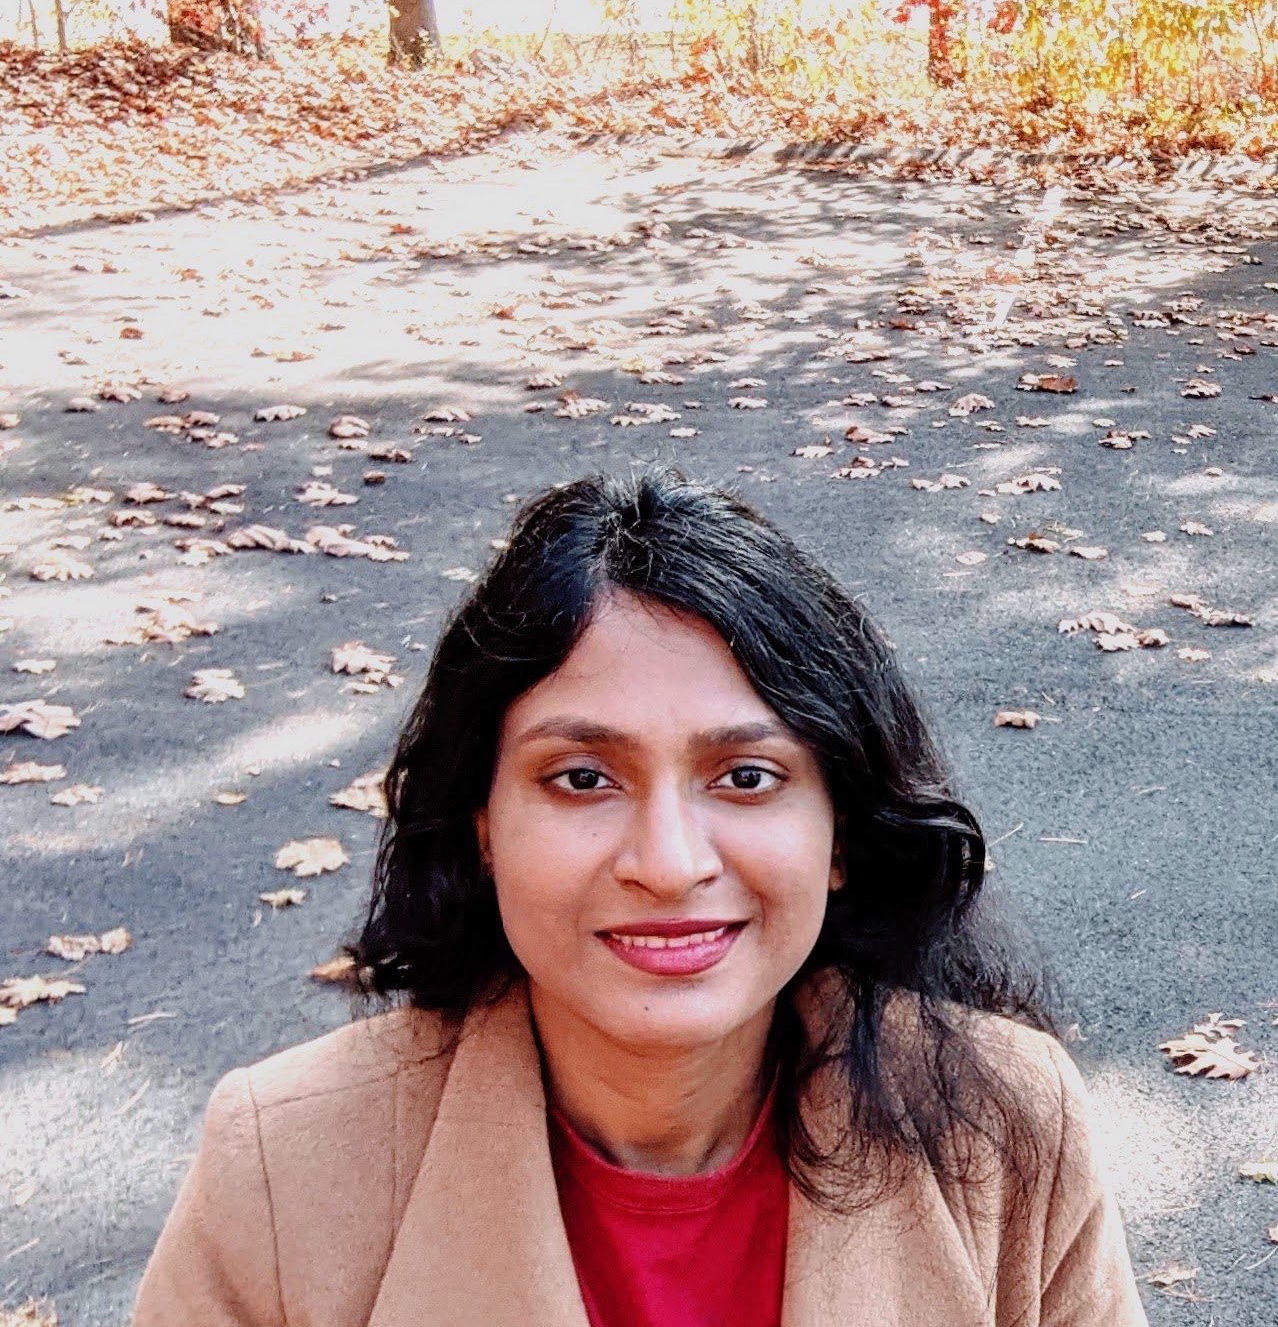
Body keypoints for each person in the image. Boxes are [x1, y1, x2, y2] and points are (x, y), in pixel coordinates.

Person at [132, 469, 1148, 1327]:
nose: (667, 864)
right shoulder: (283, 1167)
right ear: (481, 826)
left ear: (841, 830)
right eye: (582, 778)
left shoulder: (1006, 1126)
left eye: (746, 776)